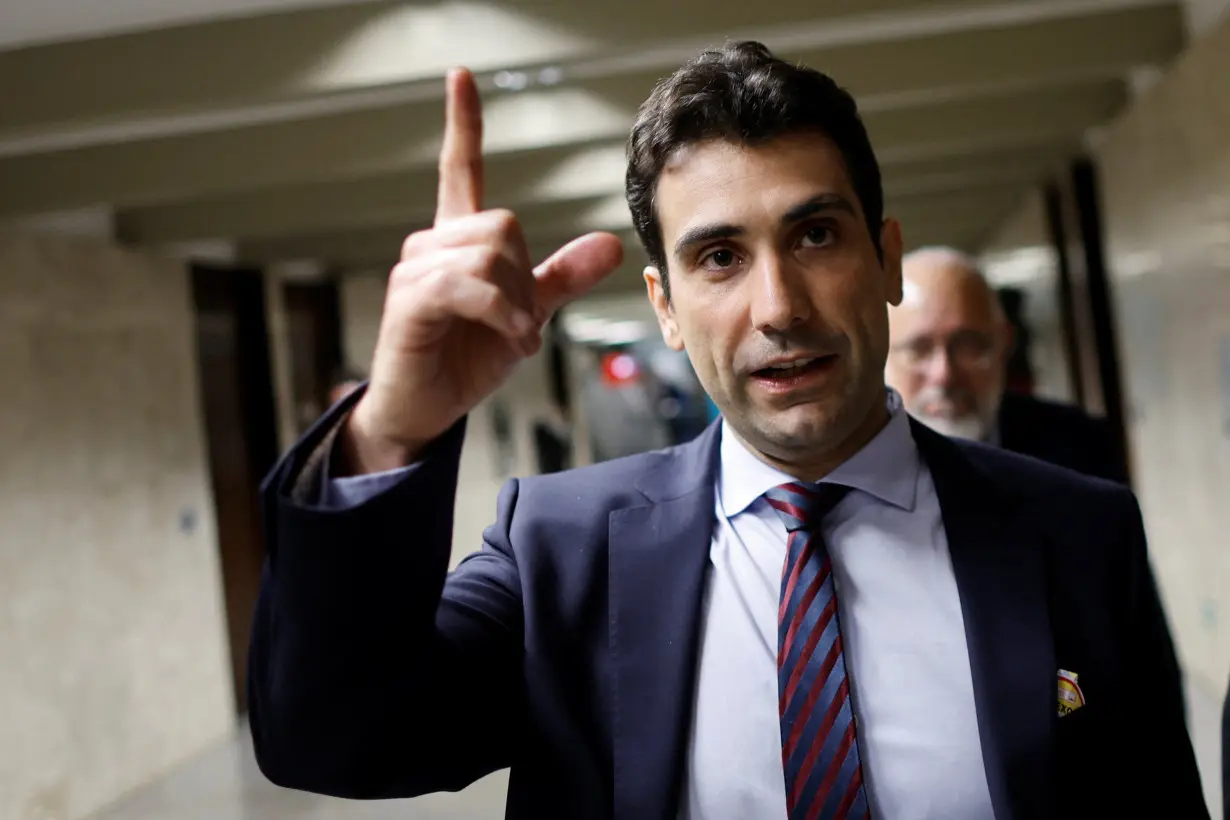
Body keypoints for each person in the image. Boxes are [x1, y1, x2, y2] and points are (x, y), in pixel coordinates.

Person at [248, 44, 1206, 819]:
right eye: (719, 257)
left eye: (817, 236)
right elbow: (332, 738)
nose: (778, 305)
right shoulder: (560, 550)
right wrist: (392, 427)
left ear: (886, 259)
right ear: (665, 308)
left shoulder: (1079, 535)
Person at [885, 247, 1129, 483]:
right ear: (881, 352)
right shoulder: (854, 461)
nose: (944, 374)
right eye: (917, 350)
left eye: (969, 345)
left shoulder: (1082, 447)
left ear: (1005, 341)